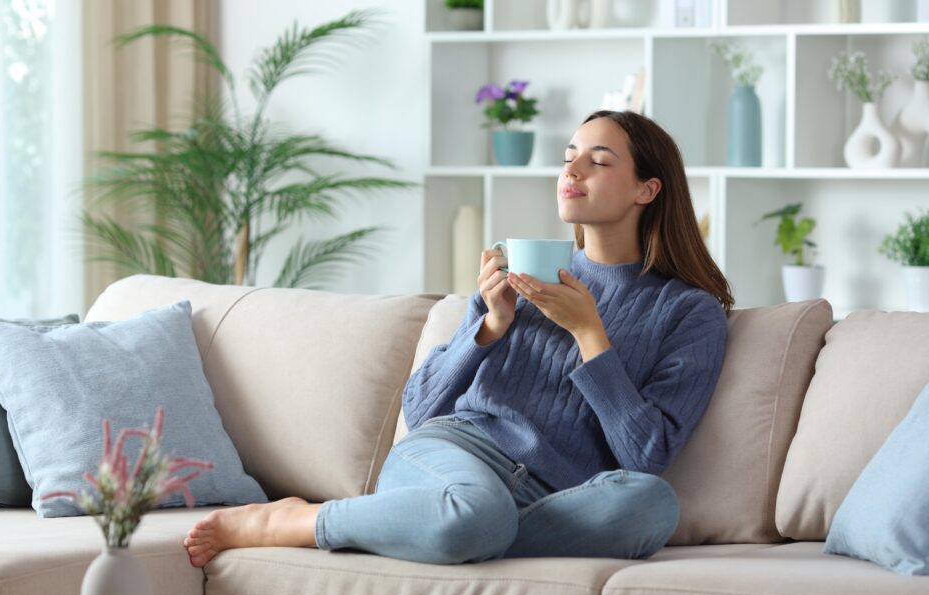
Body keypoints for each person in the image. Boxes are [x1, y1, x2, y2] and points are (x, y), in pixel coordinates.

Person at [182, 110, 733, 568]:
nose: (573, 169)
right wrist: (489, 326)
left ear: (646, 189)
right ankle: (298, 520)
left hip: (554, 495)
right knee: (477, 511)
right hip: (453, 453)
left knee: (651, 505)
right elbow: (421, 411)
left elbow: (645, 457)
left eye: (599, 160)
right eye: (569, 156)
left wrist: (590, 334)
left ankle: (460, 531)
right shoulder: (521, 273)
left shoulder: (689, 312)